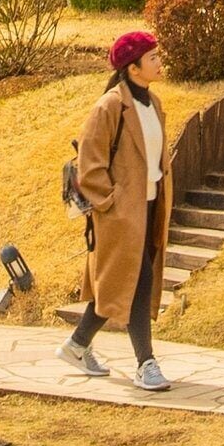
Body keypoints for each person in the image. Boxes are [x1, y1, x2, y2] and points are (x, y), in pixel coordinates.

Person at [60, 29, 173, 392]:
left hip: (150, 206)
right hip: (121, 212)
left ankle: (77, 345)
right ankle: (146, 364)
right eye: (152, 57)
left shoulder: (153, 104)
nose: (159, 62)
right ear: (133, 68)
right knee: (137, 280)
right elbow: (89, 163)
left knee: (118, 281)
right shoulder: (109, 106)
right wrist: (111, 203)